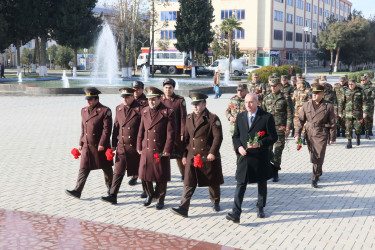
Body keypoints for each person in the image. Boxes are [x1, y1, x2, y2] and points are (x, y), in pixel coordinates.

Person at [226, 93, 278, 223]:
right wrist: (239, 147)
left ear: (257, 103)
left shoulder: (266, 117)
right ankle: (236, 213)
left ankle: (260, 207)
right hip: (244, 156)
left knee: (262, 182)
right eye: (246, 102)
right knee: (240, 183)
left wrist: (259, 143)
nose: (248, 105)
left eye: (251, 102)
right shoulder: (240, 117)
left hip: (260, 157)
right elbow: (236, 136)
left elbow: (273, 137)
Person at [171, 92, 224, 217]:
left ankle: (215, 202)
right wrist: (183, 155)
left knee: (212, 181)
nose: (195, 107)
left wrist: (212, 152)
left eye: (198, 104)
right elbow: (186, 140)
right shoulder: (189, 119)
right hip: (192, 156)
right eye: (193, 104)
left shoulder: (212, 118)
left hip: (207, 156)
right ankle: (183, 207)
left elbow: (218, 137)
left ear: (204, 104)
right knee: (188, 182)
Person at [66, 87, 113, 199]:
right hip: (87, 145)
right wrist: (81, 142)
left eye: (91, 99)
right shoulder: (84, 110)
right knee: (83, 167)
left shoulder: (105, 111)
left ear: (97, 99)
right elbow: (83, 128)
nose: (88, 101)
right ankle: (77, 190)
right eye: (87, 99)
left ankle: (111, 187)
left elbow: (107, 130)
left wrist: (102, 143)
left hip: (100, 146)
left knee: (106, 167)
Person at [101, 88, 143, 204]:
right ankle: (113, 195)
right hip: (122, 146)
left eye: (127, 97)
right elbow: (116, 128)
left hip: (135, 147)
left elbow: (143, 129)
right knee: (118, 171)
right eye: (122, 97)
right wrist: (113, 144)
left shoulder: (140, 109)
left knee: (142, 171)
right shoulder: (118, 108)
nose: (124, 99)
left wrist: (142, 146)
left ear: (132, 97)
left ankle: (148, 192)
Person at [137, 86, 176, 210]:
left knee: (161, 176)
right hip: (146, 147)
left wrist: (167, 150)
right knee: (143, 174)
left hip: (160, 149)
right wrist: (138, 145)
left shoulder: (168, 112)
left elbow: (171, 134)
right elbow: (141, 130)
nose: (151, 102)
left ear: (160, 98)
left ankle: (160, 199)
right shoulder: (144, 111)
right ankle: (149, 194)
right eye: (149, 99)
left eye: (154, 99)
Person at [295, 85, 336, 188]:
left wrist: (332, 137)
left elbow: (332, 123)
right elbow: (300, 120)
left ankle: (315, 177)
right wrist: (297, 134)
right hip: (309, 133)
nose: (314, 95)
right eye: (313, 93)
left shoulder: (328, 106)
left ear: (322, 94)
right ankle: (318, 170)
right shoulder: (306, 105)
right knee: (313, 155)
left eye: (317, 93)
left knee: (318, 155)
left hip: (321, 132)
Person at [261, 78, 293, 182]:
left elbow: (289, 114)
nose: (273, 88)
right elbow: (262, 115)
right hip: (268, 130)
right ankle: (271, 167)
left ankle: (275, 172)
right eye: (271, 86)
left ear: (279, 86)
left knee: (278, 150)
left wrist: (288, 128)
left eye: (275, 86)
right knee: (268, 150)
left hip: (281, 128)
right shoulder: (266, 98)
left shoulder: (285, 98)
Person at [161, 78, 187, 181]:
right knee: (163, 155)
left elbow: (183, 117)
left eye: (170, 88)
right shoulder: (160, 99)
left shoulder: (179, 100)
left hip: (176, 134)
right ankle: (163, 174)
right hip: (163, 133)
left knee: (179, 156)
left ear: (173, 88)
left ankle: (184, 175)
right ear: (163, 88)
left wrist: (182, 133)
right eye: (166, 88)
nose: (168, 90)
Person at [338, 79, 369, 148]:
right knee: (348, 128)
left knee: (358, 128)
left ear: (355, 84)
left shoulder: (360, 91)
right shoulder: (345, 91)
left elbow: (364, 102)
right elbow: (341, 103)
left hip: (358, 113)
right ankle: (349, 142)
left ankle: (358, 136)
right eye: (349, 84)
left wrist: (365, 112)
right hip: (348, 113)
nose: (350, 86)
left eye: (352, 84)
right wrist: (340, 112)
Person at [292, 79, 311, 145]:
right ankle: (297, 137)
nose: (296, 85)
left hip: (304, 111)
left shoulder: (308, 91)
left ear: (301, 84)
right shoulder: (295, 92)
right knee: (296, 124)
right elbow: (293, 101)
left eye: (297, 84)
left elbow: (310, 101)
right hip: (296, 111)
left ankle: (304, 138)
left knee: (304, 125)